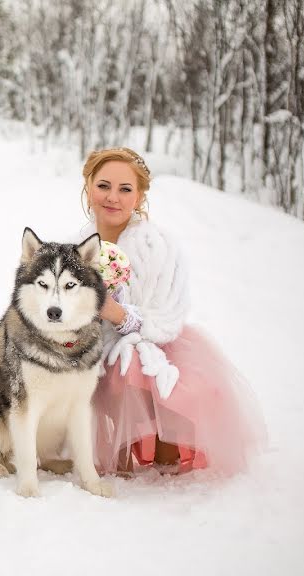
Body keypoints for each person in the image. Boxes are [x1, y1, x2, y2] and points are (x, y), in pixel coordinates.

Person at [80, 147, 266, 475]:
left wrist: (115, 312)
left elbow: (163, 317)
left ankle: (163, 449)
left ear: (139, 197)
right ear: (88, 187)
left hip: (154, 343)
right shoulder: (78, 245)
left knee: (135, 366)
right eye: (103, 186)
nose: (112, 197)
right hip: (93, 349)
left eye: (125, 190)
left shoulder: (158, 247)